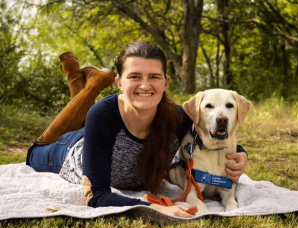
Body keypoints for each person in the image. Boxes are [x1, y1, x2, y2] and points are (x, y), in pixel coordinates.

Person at [26, 41, 248, 218]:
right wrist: (157, 208)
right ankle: (89, 85)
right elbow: (97, 196)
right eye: (134, 77)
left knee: (86, 120)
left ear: (166, 82)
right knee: (35, 150)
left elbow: (210, 133)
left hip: (97, 132)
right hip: (69, 151)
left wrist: (241, 154)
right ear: (119, 82)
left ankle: (79, 85)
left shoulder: (177, 117)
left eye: (154, 77)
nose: (145, 85)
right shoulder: (104, 114)